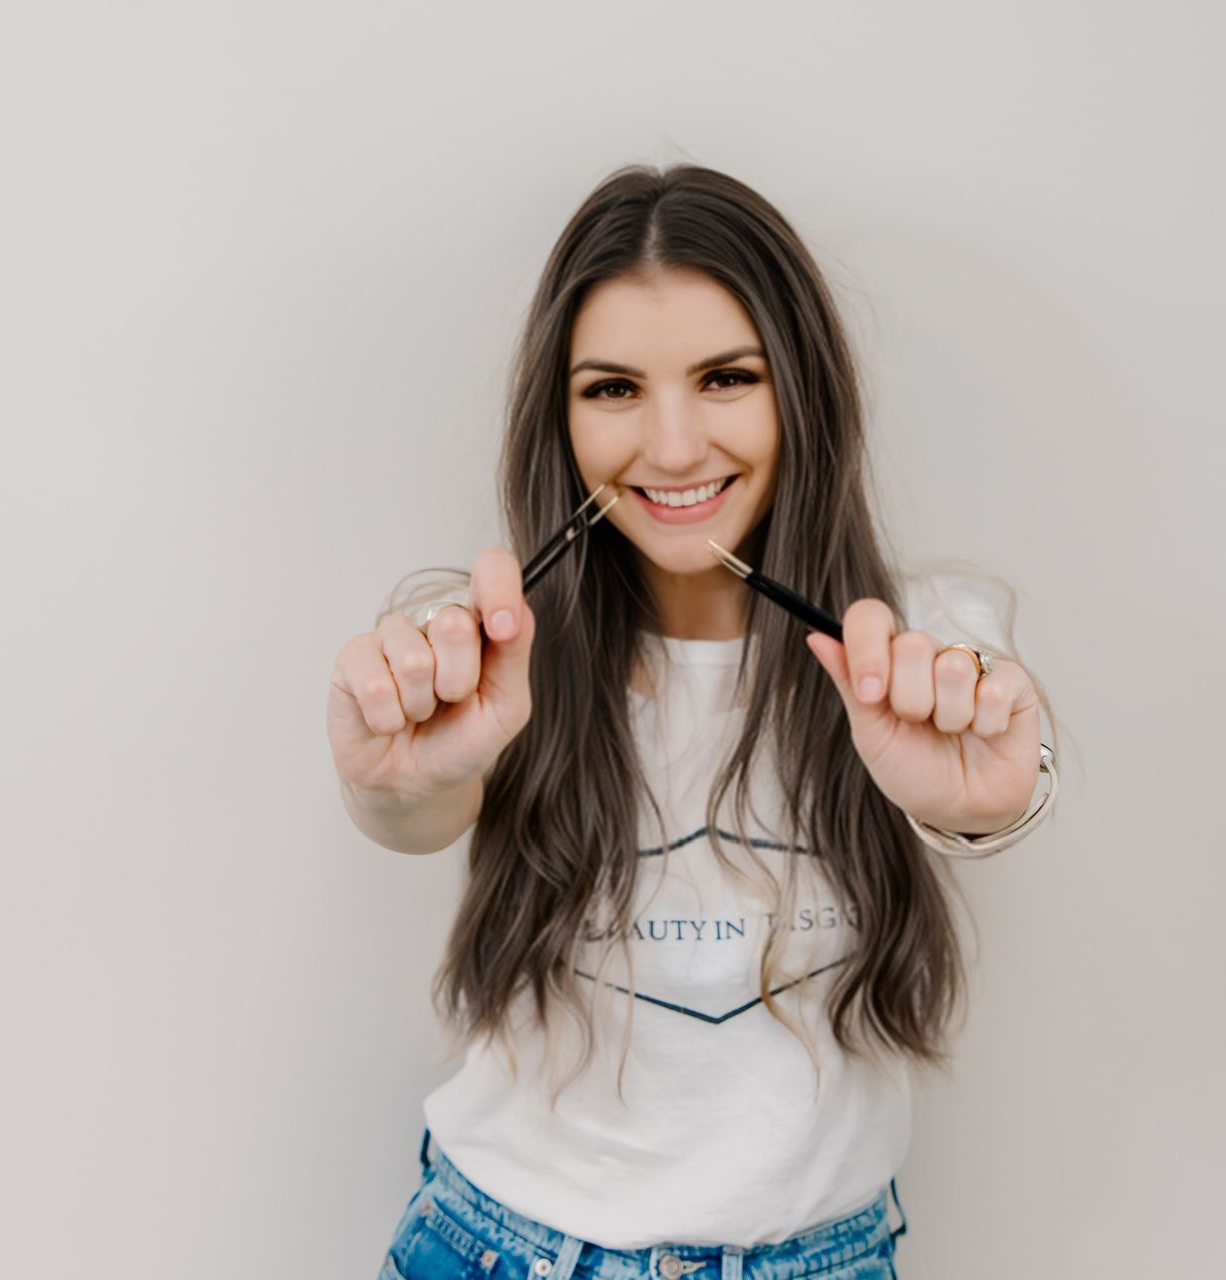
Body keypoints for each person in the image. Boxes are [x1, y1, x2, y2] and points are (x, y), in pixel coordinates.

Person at [327, 163, 1063, 1280]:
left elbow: (1004, 779)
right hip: (497, 1246)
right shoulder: (482, 644)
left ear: (800, 393)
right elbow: (417, 806)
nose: (670, 449)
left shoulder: (919, 645)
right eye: (613, 389)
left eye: (726, 378)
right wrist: (397, 781)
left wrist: (989, 802)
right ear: (559, 413)